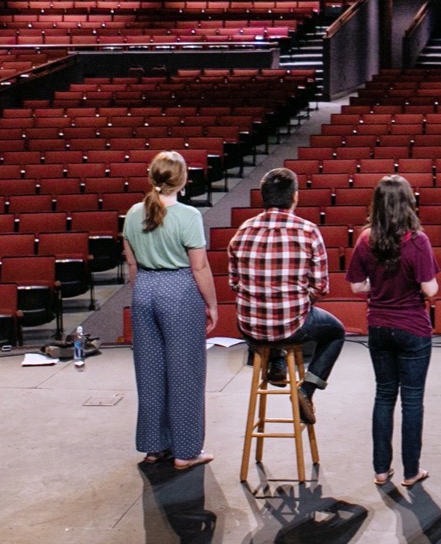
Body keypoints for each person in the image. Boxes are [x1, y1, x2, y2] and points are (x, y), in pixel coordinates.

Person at [121, 151, 218, 470]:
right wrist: (212, 304)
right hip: (177, 291)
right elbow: (199, 267)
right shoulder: (188, 215)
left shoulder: (134, 213)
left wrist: (143, 294)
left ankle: (154, 446)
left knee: (149, 372)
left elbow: (131, 264)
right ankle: (185, 450)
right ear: (183, 179)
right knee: (185, 372)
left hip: (144, 290)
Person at [227, 166, 343, 426]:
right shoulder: (308, 231)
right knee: (335, 332)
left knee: (268, 312)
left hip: (251, 328)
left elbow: (235, 284)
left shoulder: (242, 232)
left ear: (263, 197)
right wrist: (299, 297)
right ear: (295, 197)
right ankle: (306, 391)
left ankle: (276, 364)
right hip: (291, 326)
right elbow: (321, 288)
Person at [347, 175, 440, 487]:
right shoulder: (417, 241)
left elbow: (358, 286)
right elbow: (430, 290)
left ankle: (380, 470)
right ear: (408, 204)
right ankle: (411, 471)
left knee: (384, 395)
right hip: (412, 327)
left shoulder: (365, 239)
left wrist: (382, 284)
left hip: (379, 326)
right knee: (412, 400)